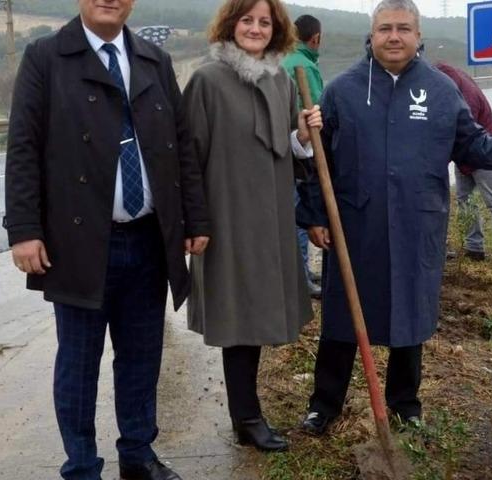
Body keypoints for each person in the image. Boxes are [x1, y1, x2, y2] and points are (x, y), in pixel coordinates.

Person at [297, 0, 492, 435]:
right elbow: (318, 161)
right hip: (355, 226)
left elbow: (473, 145)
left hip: (417, 224)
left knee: (408, 313)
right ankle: (325, 403)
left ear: (418, 35)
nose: (394, 36)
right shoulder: (342, 90)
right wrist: (315, 215)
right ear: (370, 35)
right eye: (386, 28)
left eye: (404, 28)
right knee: (342, 316)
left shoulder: (442, 90)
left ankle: (404, 403)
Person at [3, 0, 209, 479]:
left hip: (148, 241)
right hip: (79, 244)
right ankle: (81, 466)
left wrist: (194, 220)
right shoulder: (47, 57)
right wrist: (24, 230)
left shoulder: (153, 61)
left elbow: (181, 147)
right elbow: (23, 148)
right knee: (78, 365)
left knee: (141, 359)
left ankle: (138, 455)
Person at [182, 0, 322, 452]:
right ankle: (246, 417)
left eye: (265, 22)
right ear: (230, 25)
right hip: (226, 221)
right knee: (238, 318)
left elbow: (286, 147)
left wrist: (302, 134)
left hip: (271, 220)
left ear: (276, 29)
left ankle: (247, 413)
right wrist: (195, 220)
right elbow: (187, 159)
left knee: (258, 314)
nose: (256, 28)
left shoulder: (281, 78)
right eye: (247, 20)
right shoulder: (207, 80)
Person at [435, 61, 492, 270]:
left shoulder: (463, 95)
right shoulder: (456, 84)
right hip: (464, 155)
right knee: (465, 200)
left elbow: (461, 133)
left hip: (486, 151)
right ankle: (474, 246)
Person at [283, 14, 324, 298]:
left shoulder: (282, 60)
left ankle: (299, 274)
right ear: (316, 38)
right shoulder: (304, 65)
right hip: (299, 151)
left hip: (281, 150)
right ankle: (300, 280)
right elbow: (320, 109)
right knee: (301, 215)